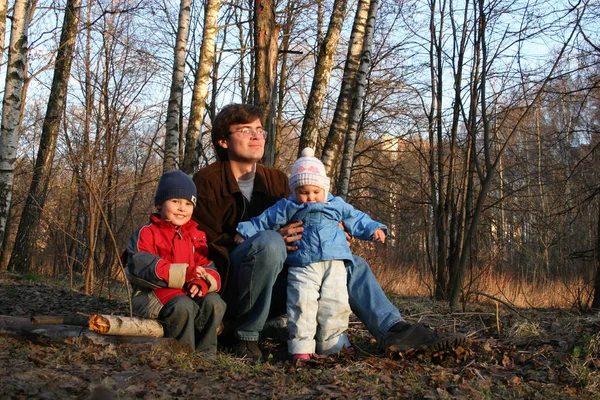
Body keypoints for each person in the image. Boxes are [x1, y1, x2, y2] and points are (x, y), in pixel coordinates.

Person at [192, 103, 465, 362]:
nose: (257, 136)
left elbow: (310, 212)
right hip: (233, 284)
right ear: (223, 141)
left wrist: (328, 234)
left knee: (349, 263)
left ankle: (393, 329)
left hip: (284, 282)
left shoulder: (276, 179)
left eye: (260, 130)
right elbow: (206, 245)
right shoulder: (207, 181)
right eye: (245, 130)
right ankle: (245, 336)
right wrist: (271, 238)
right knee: (269, 242)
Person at [235, 147, 388, 361]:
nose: (310, 198)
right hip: (303, 264)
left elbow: (357, 218)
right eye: (303, 192)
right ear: (295, 191)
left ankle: (333, 343)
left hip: (334, 264)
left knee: (336, 302)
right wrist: (246, 231)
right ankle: (300, 346)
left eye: (315, 192)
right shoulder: (289, 206)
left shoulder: (336, 205)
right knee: (301, 303)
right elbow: (265, 219)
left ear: (325, 189)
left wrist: (374, 229)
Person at [125, 170, 226, 355]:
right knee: (182, 305)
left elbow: (209, 267)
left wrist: (201, 281)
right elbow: (142, 265)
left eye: (188, 203)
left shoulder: (196, 235)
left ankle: (206, 355)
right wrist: (184, 274)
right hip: (150, 294)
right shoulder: (148, 232)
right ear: (159, 204)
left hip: (185, 293)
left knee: (214, 301)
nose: (182, 208)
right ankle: (182, 355)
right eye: (175, 201)